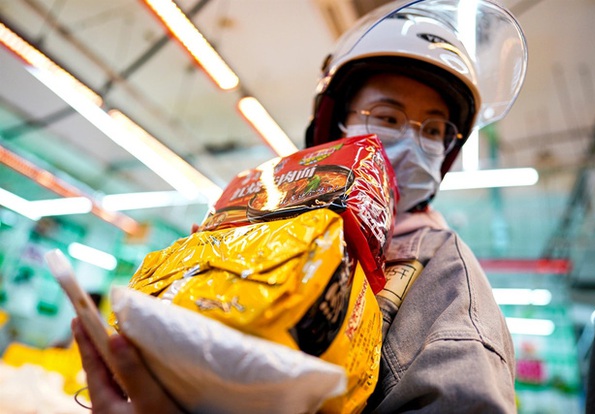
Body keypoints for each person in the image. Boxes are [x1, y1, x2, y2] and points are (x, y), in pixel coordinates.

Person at [73, 0, 528, 412]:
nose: (412, 143)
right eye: (387, 118)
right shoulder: (275, 220)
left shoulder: (443, 271)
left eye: (433, 130)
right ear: (335, 126)